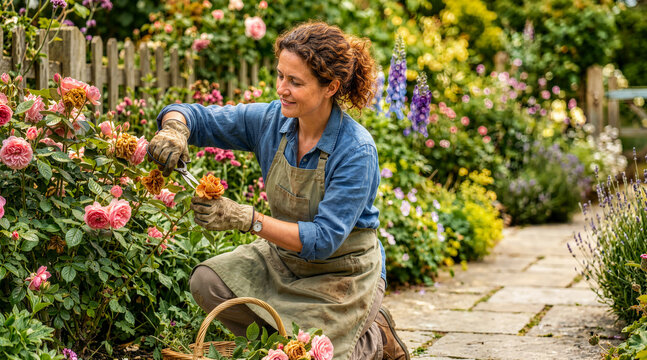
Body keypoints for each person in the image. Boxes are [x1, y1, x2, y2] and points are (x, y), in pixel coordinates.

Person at [147, 22, 409, 360]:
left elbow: (323, 240)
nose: (281, 89)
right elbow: (198, 117)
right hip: (283, 259)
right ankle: (287, 344)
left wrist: (245, 218)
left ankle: (374, 337)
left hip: (342, 274)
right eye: (280, 75)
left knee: (315, 355)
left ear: (330, 87)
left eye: (295, 82)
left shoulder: (356, 150)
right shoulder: (270, 120)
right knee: (207, 282)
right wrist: (175, 128)